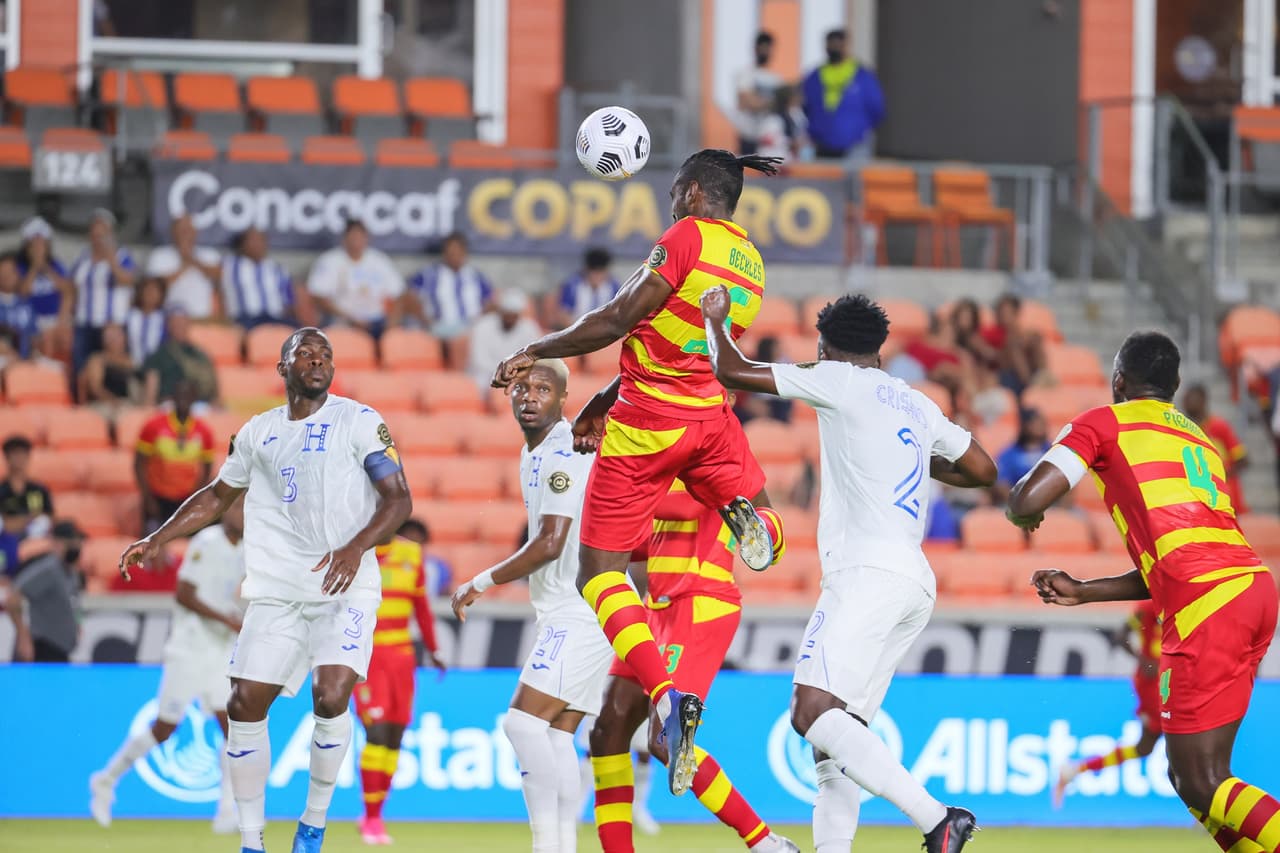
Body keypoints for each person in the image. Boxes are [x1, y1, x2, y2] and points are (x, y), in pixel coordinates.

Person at [491, 150, 789, 797]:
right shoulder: (751, 261)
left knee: (598, 572)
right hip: (711, 417)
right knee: (753, 499)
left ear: (688, 192)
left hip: (650, 425)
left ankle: (666, 696)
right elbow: (673, 338)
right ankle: (760, 525)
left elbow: (620, 318)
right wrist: (600, 398)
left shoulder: (684, 236)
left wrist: (534, 349)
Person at [701, 287, 996, 853]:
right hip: (913, 578)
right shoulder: (915, 401)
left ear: (825, 346)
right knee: (835, 742)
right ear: (879, 349)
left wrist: (715, 320)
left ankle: (937, 819)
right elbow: (981, 468)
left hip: (867, 573)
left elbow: (730, 369)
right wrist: (908, 461)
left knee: (810, 712)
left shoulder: (837, 379)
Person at [118, 326, 413, 853]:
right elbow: (216, 495)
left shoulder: (359, 421)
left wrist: (353, 548)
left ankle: (313, 825)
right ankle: (252, 840)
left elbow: (398, 501)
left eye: (326, 354)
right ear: (283, 369)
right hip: (279, 590)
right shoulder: (257, 433)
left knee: (332, 694)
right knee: (244, 702)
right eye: (306, 353)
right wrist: (157, 537)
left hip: (345, 585)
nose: (319, 360)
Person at [1007, 330, 1280, 853]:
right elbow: (1180, 559)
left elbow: (1027, 498)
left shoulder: (1103, 423)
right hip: (1249, 589)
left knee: (1201, 779)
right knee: (1197, 780)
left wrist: (1023, 507)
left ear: (1118, 380)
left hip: (1208, 604)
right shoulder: (1201, 442)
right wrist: (1085, 591)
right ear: (1173, 388)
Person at [451, 358, 614, 853]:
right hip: (573, 608)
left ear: (563, 399)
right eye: (521, 388)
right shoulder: (535, 453)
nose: (528, 396)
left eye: (542, 388)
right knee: (558, 736)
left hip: (580, 608)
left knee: (521, 723)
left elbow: (548, 542)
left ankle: (546, 846)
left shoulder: (565, 451)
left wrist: (478, 582)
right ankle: (564, 845)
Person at [590, 480, 798, 853]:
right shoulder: (657, 462)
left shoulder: (710, 449)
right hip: (654, 606)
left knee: (665, 741)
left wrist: (608, 502)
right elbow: (649, 541)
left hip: (700, 602)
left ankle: (765, 842)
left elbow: (690, 506)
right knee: (607, 729)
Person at [90, 498, 247, 832]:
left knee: (232, 728)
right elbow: (184, 594)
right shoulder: (206, 542)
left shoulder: (248, 549)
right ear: (224, 512)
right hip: (189, 648)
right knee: (165, 727)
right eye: (236, 508)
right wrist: (228, 620)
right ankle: (106, 779)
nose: (242, 515)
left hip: (220, 650)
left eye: (247, 508)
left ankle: (226, 811)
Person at [354, 519, 448, 845]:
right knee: (376, 732)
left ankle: (376, 813)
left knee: (394, 735)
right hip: (365, 655)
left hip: (402, 656)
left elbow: (421, 607)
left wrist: (434, 649)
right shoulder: (355, 550)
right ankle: (370, 817)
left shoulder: (412, 554)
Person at [1053, 598, 1163, 808]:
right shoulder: (1147, 607)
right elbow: (1121, 636)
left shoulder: (1181, 600)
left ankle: (1074, 770)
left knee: (1146, 748)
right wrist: (1143, 660)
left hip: (1173, 678)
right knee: (1180, 743)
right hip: (1153, 683)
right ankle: (1205, 806)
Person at [134, 380, 216, 534]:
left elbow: (207, 468)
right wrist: (148, 498)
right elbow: (139, 464)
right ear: (172, 398)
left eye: (187, 395)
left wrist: (195, 498)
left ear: (194, 398)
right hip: (157, 500)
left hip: (186, 500)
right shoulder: (153, 426)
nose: (183, 399)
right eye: (179, 395)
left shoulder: (204, 432)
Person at [307, 219, 404, 339]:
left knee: (397, 338)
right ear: (344, 239)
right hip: (342, 320)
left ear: (367, 238)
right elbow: (319, 297)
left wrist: (390, 325)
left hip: (377, 321)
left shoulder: (380, 261)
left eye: (360, 236)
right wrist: (350, 319)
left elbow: (399, 295)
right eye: (352, 236)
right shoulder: (330, 260)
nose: (356, 241)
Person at [3, 520, 84, 662]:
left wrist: (76, 624)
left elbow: (73, 602)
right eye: (71, 543)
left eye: (77, 542)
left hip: (61, 646)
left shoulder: (71, 571)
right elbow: (12, 598)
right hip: (44, 645)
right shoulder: (48, 569)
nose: (76, 547)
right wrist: (23, 636)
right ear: (56, 543)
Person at [69, 208, 137, 372]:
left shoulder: (122, 256)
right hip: (85, 323)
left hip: (112, 324)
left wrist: (110, 259)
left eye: (102, 232)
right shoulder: (83, 257)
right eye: (95, 232)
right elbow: (72, 287)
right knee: (82, 367)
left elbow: (128, 280)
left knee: (113, 371)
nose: (98, 237)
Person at [801, 29, 885, 161]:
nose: (835, 48)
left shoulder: (862, 76)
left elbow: (876, 109)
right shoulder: (815, 76)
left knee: (853, 180)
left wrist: (858, 130)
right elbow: (806, 106)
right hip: (823, 145)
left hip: (855, 146)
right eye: (831, 44)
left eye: (839, 44)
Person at [405, 231, 493, 348]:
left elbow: (490, 301)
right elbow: (409, 296)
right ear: (444, 253)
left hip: (471, 329)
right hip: (440, 328)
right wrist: (426, 321)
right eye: (451, 252)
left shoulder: (476, 276)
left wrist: (479, 320)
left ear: (464, 253)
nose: (454, 256)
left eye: (458, 252)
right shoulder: (428, 274)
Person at [1183, 383, 1249, 514]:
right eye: (1185, 400)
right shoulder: (1186, 429)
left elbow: (1243, 460)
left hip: (1226, 494)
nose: (1187, 403)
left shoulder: (1219, 426)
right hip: (1202, 496)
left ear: (1203, 400)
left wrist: (1219, 475)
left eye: (1191, 399)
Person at [147, 213, 222, 320]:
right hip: (169, 320)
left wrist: (192, 259)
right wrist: (184, 265)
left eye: (188, 230)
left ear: (195, 233)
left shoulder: (209, 254)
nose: (185, 234)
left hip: (201, 319)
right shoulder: (159, 255)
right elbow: (155, 288)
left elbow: (220, 276)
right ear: (173, 232)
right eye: (181, 230)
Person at [466, 289, 543, 393]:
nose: (510, 318)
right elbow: (479, 360)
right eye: (507, 314)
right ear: (501, 311)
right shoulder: (483, 325)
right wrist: (505, 373)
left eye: (514, 315)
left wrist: (514, 374)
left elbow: (534, 358)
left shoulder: (529, 328)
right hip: (486, 375)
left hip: (518, 375)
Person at [16, 216, 74, 353]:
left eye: (42, 245)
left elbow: (67, 290)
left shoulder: (56, 266)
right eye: (34, 245)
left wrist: (45, 268)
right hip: (30, 322)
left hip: (54, 321)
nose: (38, 249)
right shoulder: (20, 267)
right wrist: (35, 267)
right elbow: (21, 293)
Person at [141, 308, 219, 406]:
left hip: (199, 405)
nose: (179, 327)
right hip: (169, 406)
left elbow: (214, 387)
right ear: (169, 326)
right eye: (176, 324)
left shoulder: (201, 354)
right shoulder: (159, 355)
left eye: (182, 323)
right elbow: (150, 392)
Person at [222, 227, 296, 328]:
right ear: (242, 245)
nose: (258, 244)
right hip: (246, 319)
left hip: (275, 318)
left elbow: (288, 301)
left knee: (299, 334)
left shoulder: (277, 268)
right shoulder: (229, 265)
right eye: (253, 240)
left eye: (261, 240)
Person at [983, 294, 1046, 396]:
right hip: (1005, 374)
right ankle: (1031, 386)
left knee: (1034, 339)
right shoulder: (991, 332)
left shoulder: (1024, 333)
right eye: (1003, 312)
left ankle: (1043, 375)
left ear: (1016, 313)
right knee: (1013, 345)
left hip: (1028, 370)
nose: (1005, 316)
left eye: (1009, 312)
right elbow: (989, 354)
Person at [733, 32, 783, 156]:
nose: (765, 52)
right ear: (755, 48)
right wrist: (772, 102)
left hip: (768, 140)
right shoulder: (745, 74)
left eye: (768, 48)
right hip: (748, 138)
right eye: (762, 47)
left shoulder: (775, 79)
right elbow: (746, 102)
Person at [991, 409, 1050, 504]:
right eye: (1035, 423)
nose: (1041, 426)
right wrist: (1017, 505)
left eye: (1042, 423)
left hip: (1050, 504)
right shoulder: (1010, 453)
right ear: (1025, 426)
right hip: (1017, 503)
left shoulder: (1051, 451)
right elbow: (1002, 483)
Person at [0, 435, 54, 540]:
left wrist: (30, 520)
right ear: (7, 457)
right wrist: (22, 521)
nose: (19, 458)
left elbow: (49, 516)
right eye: (15, 454)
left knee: (43, 521)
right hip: (5, 534)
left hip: (33, 533)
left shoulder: (38, 488)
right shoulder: (2, 489)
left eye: (23, 454)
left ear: (28, 456)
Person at [553, 248, 620, 330]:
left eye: (600, 272)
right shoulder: (572, 285)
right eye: (594, 272)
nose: (597, 276)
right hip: (575, 330)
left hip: (605, 333)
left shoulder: (613, 286)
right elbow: (563, 314)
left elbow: (618, 313)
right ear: (586, 270)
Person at [78, 323, 136, 413]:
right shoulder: (98, 359)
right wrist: (113, 401)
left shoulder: (131, 361)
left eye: (117, 335)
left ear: (125, 338)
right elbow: (95, 388)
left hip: (128, 403)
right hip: (104, 404)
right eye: (109, 336)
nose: (113, 339)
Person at [0, 251, 37, 358]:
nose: (6, 276)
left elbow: (34, 338)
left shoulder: (26, 305)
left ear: (18, 274)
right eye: (2, 271)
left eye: (10, 271)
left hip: (24, 362)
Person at [126, 276, 168, 368]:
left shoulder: (165, 320)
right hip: (129, 364)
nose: (150, 293)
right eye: (147, 289)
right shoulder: (129, 316)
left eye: (155, 290)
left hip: (158, 367)